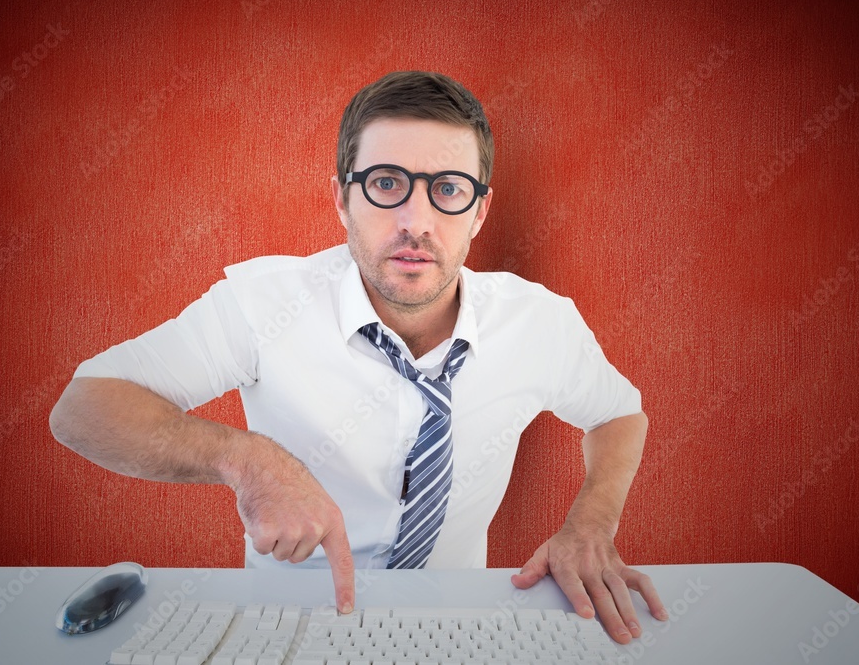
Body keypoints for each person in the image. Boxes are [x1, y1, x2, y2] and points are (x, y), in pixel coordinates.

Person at [49, 70, 668, 645]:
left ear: (479, 211)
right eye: (386, 184)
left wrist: (592, 523)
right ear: (343, 199)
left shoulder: (540, 322)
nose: (415, 221)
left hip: (460, 625)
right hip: (285, 626)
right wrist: (247, 459)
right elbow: (83, 407)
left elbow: (619, 414)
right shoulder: (263, 303)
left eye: (448, 190)